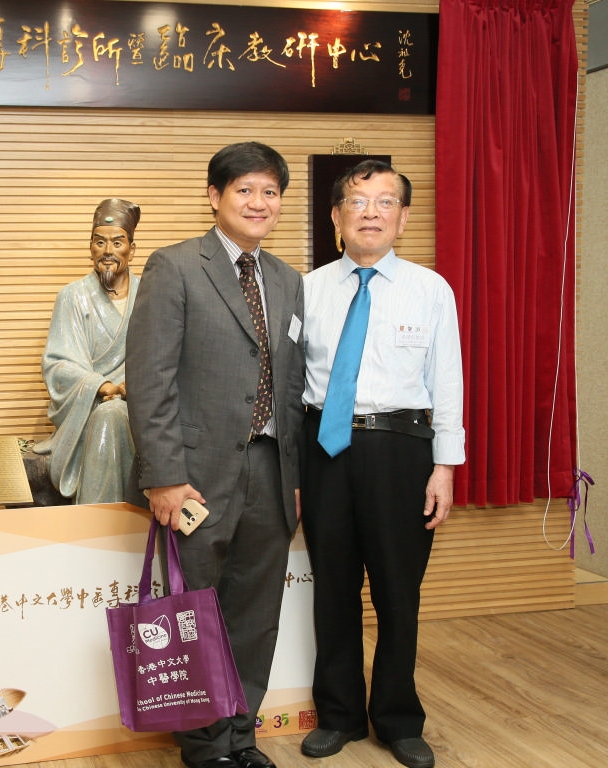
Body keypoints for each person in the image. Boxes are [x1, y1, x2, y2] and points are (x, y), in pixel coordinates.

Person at [125, 142, 305, 768]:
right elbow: (149, 379)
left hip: (270, 471)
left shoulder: (287, 280)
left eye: (270, 192)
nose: (259, 203)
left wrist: (295, 476)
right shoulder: (174, 266)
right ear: (214, 196)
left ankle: (240, 736)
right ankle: (205, 748)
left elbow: (291, 386)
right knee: (194, 612)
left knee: (255, 614)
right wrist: (164, 476)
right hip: (195, 477)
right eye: (244, 190)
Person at [298, 159, 465, 768]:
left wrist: (445, 467)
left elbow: (447, 382)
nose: (371, 213)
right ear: (336, 216)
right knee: (333, 589)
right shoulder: (306, 289)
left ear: (403, 217)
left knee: (399, 592)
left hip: (401, 450)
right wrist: (292, 472)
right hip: (324, 449)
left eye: (385, 202)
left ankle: (398, 718)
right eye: (358, 202)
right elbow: (289, 384)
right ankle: (338, 715)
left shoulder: (431, 289)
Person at [33, 198, 141, 504]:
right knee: (109, 414)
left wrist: (137, 385)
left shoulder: (151, 294)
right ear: (90, 248)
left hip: (141, 407)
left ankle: (101, 522)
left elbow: (168, 357)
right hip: (88, 408)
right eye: (99, 242)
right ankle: (102, 522)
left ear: (132, 249)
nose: (108, 251)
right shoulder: (72, 297)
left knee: (115, 413)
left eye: (117, 242)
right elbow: (58, 365)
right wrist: (101, 385)